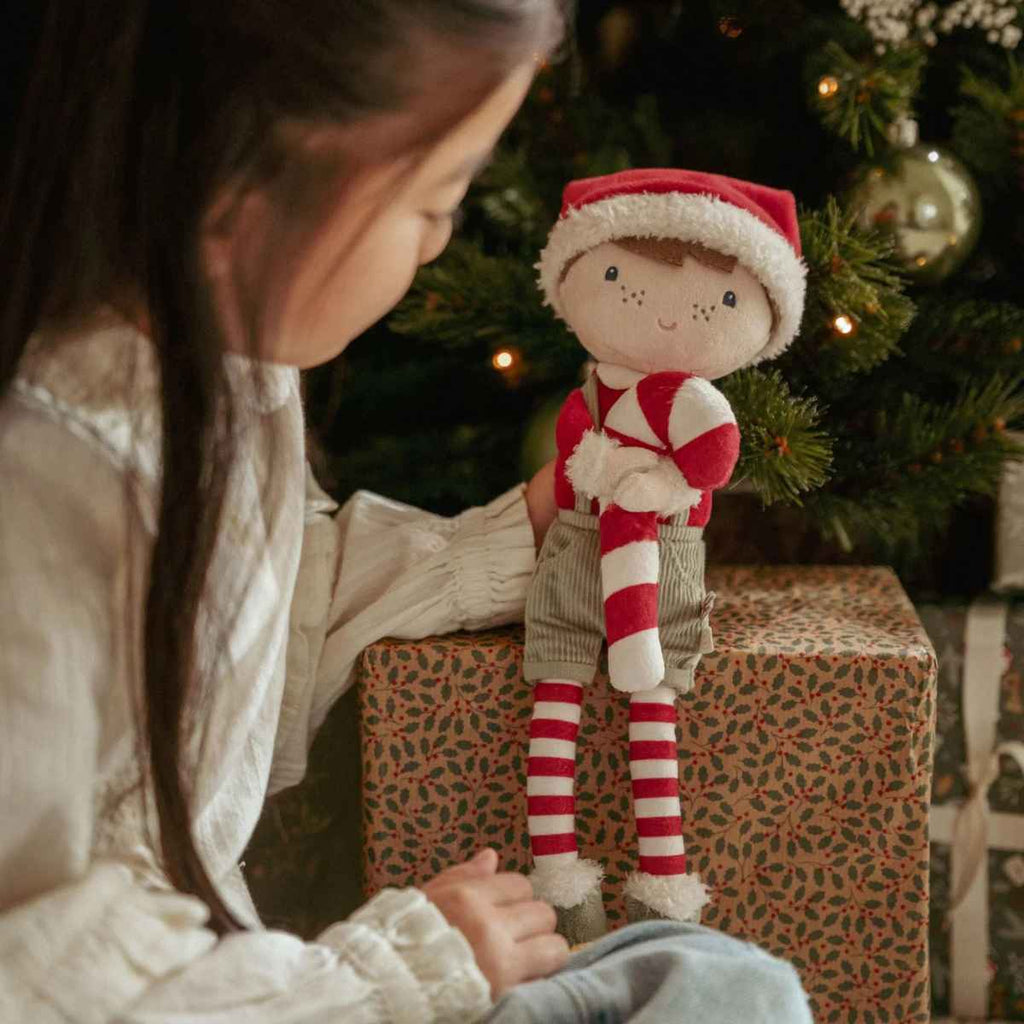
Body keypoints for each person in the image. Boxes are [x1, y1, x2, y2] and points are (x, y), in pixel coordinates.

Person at [0, 3, 814, 1021]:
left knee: (720, 984)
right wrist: (396, 971)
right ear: (240, 190)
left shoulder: (226, 367)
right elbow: (35, 968)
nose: (437, 247)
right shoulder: (44, 496)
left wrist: (525, 534)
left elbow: (271, 616)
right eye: (432, 202)